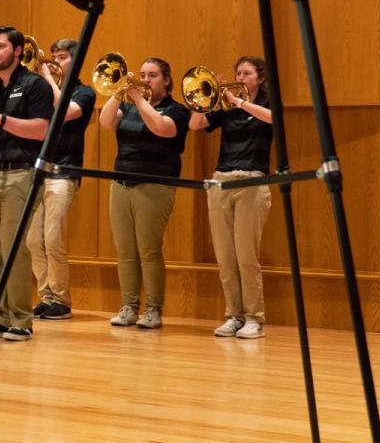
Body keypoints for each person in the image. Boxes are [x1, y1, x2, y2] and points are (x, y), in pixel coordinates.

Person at [0, 26, 53, 342]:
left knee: (13, 247)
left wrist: (0, 120)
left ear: (17, 51)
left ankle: (21, 319)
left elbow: (41, 130)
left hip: (21, 173)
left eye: (0, 46)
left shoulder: (34, 86)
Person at [98, 57, 190, 330]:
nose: (146, 79)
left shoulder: (177, 110)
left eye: (152, 75)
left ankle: (153, 309)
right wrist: (119, 91)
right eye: (142, 74)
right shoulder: (127, 106)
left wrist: (140, 100)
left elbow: (162, 128)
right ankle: (128, 306)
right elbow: (105, 121)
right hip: (121, 182)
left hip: (156, 184)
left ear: (166, 80)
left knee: (149, 250)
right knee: (125, 250)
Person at [190, 57, 275, 339]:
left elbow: (274, 119)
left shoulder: (265, 102)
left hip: (252, 181)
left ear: (260, 78)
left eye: (246, 73)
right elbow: (195, 125)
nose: (240, 77)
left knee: (246, 257)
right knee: (225, 257)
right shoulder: (225, 106)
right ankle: (234, 315)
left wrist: (238, 102)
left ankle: (254, 318)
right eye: (237, 72)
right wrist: (208, 97)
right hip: (221, 181)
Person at [27, 39, 95, 320]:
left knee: (53, 237)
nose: (55, 61)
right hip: (40, 170)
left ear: (76, 61)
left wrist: (46, 77)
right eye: (53, 56)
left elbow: (65, 111)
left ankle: (62, 300)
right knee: (33, 240)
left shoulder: (85, 92)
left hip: (65, 171)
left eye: (63, 57)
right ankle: (46, 296)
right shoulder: (44, 92)